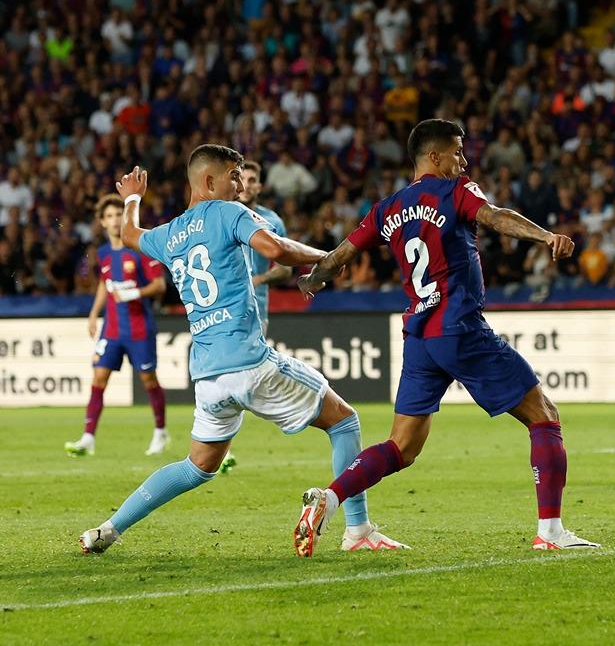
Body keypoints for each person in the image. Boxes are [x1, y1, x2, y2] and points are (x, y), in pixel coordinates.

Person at [290, 119, 599, 555]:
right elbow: (497, 217)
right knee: (543, 415)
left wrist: (312, 279)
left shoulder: (387, 209)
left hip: (420, 337)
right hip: (460, 327)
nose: (463, 161)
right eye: (457, 151)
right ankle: (551, 532)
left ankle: (330, 498)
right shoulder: (456, 191)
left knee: (402, 447)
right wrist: (545, 235)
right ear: (434, 157)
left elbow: (341, 254)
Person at [79, 147, 403, 555]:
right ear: (209, 182)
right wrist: (330, 257)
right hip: (250, 362)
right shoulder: (227, 212)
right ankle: (357, 530)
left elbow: (129, 234)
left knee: (197, 466)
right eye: (233, 175)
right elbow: (275, 249)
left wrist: (131, 198)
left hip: (208, 377)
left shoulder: (169, 234)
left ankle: (107, 529)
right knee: (344, 421)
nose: (239, 185)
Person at [65, 195, 169, 457]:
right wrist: (93, 314)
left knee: (148, 379)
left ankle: (161, 431)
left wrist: (133, 293)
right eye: (109, 216)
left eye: (118, 215)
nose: (114, 221)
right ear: (102, 222)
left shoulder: (141, 249)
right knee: (98, 377)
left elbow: (159, 285)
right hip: (111, 329)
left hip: (139, 327)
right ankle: (88, 437)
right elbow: (105, 283)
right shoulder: (102, 254)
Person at [237, 161, 290, 334]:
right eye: (241, 179)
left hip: (256, 309)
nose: (246, 185)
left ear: (259, 187)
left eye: (252, 180)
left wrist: (259, 279)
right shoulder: (220, 215)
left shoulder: (272, 222)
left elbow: (285, 269)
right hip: (222, 308)